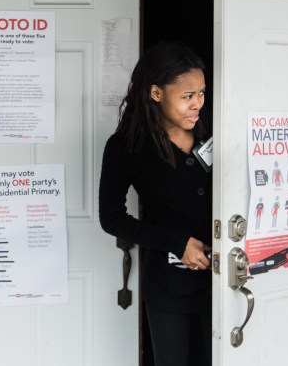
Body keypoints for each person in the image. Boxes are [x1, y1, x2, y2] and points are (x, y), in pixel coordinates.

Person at [99, 41, 212, 366]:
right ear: (156, 93)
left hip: (221, 277)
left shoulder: (211, 127)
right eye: (187, 96)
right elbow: (112, 218)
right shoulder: (125, 147)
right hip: (169, 286)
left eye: (202, 93)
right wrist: (176, 242)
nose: (197, 105)